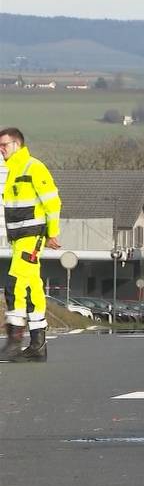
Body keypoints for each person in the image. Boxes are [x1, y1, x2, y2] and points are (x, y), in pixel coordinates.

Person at [0, 127, 62, 362]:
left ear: (17, 144)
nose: (1, 150)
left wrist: (52, 233)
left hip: (31, 238)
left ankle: (14, 341)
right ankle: (38, 345)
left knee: (14, 285)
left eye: (4, 145)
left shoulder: (33, 167)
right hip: (19, 240)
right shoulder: (12, 173)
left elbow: (52, 202)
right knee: (32, 289)